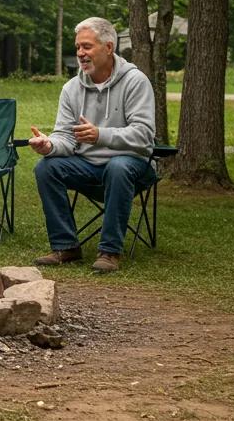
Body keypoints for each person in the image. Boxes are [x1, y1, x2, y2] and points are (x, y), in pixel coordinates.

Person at [28, 16, 156, 274]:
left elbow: (143, 136)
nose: (80, 53)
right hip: (88, 167)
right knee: (46, 168)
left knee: (118, 167)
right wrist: (49, 145)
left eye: (87, 46)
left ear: (108, 47)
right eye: (78, 47)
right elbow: (66, 137)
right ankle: (66, 246)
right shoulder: (71, 88)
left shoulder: (135, 81)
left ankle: (109, 252)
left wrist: (100, 135)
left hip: (132, 166)